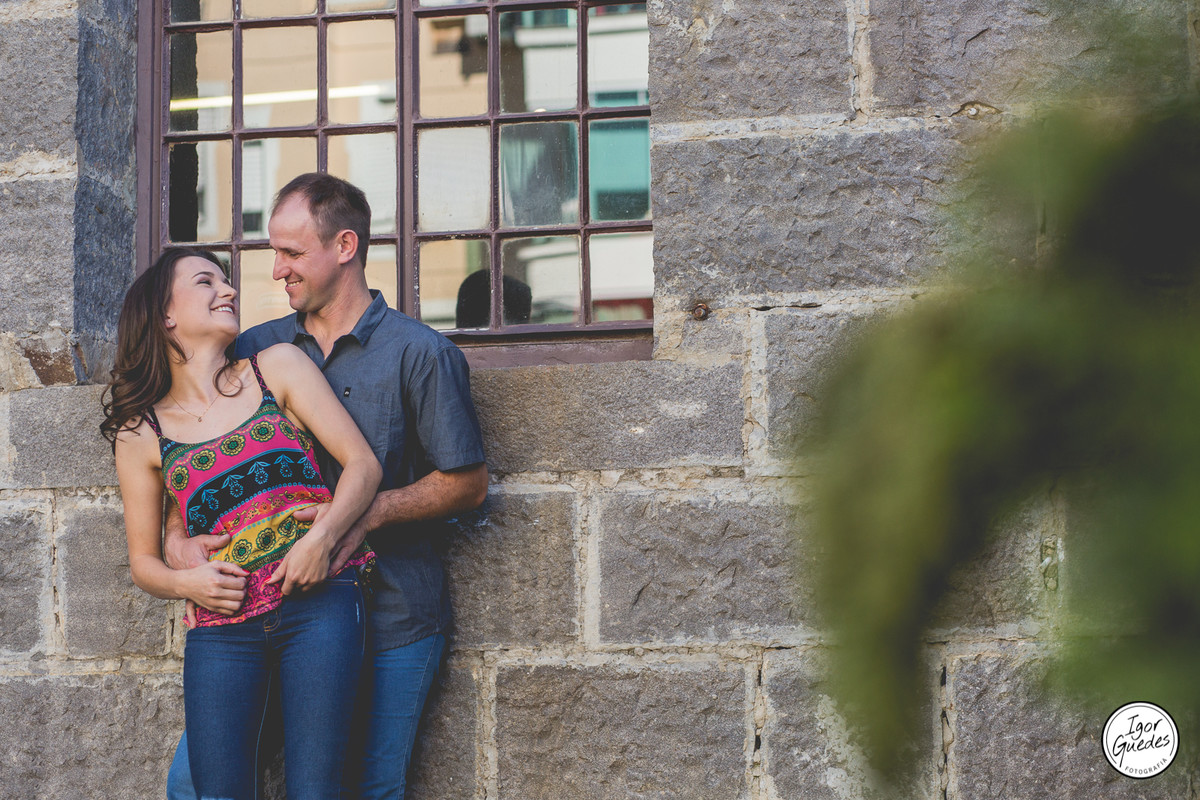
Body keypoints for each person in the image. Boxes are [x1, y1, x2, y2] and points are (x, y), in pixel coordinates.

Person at [163, 173, 489, 800]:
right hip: (270, 613)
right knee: (194, 784)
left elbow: (467, 484)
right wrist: (179, 539)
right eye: (274, 252)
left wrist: (358, 518)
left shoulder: (420, 354)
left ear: (345, 246)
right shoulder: (256, 349)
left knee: (368, 789)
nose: (276, 270)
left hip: (395, 613)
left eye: (291, 252)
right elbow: (190, 450)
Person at [103, 247, 383, 800]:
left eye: (226, 281)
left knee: (318, 790)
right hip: (222, 629)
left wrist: (322, 540)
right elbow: (143, 564)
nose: (228, 290)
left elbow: (363, 465)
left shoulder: (275, 368)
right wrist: (188, 582)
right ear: (165, 315)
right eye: (206, 282)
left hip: (320, 602)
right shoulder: (140, 434)